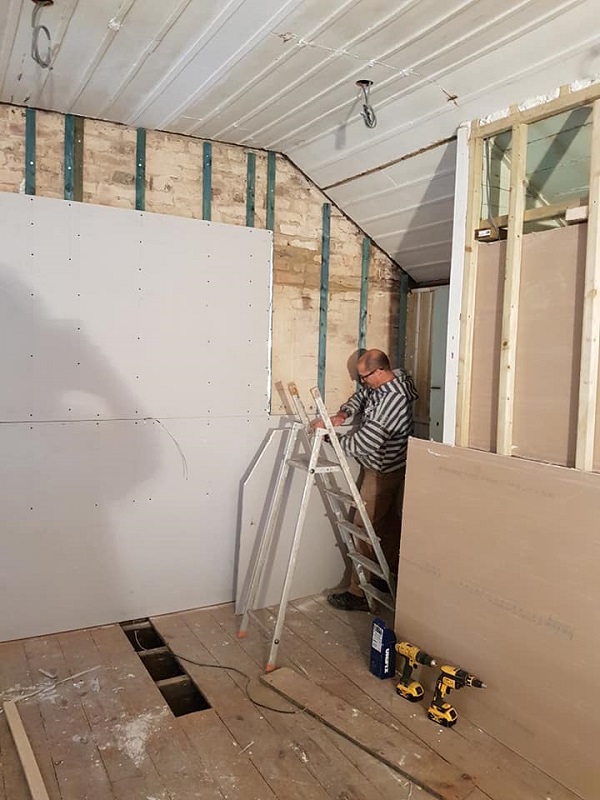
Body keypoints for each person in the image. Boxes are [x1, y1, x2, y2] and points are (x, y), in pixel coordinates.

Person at [312, 349, 418, 611]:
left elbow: (365, 443)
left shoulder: (392, 401)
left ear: (380, 371)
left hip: (383, 472)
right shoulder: (383, 384)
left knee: (363, 527)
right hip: (383, 468)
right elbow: (361, 396)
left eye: (364, 376)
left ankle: (358, 594)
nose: (361, 382)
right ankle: (386, 576)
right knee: (386, 527)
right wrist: (342, 414)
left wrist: (328, 437)